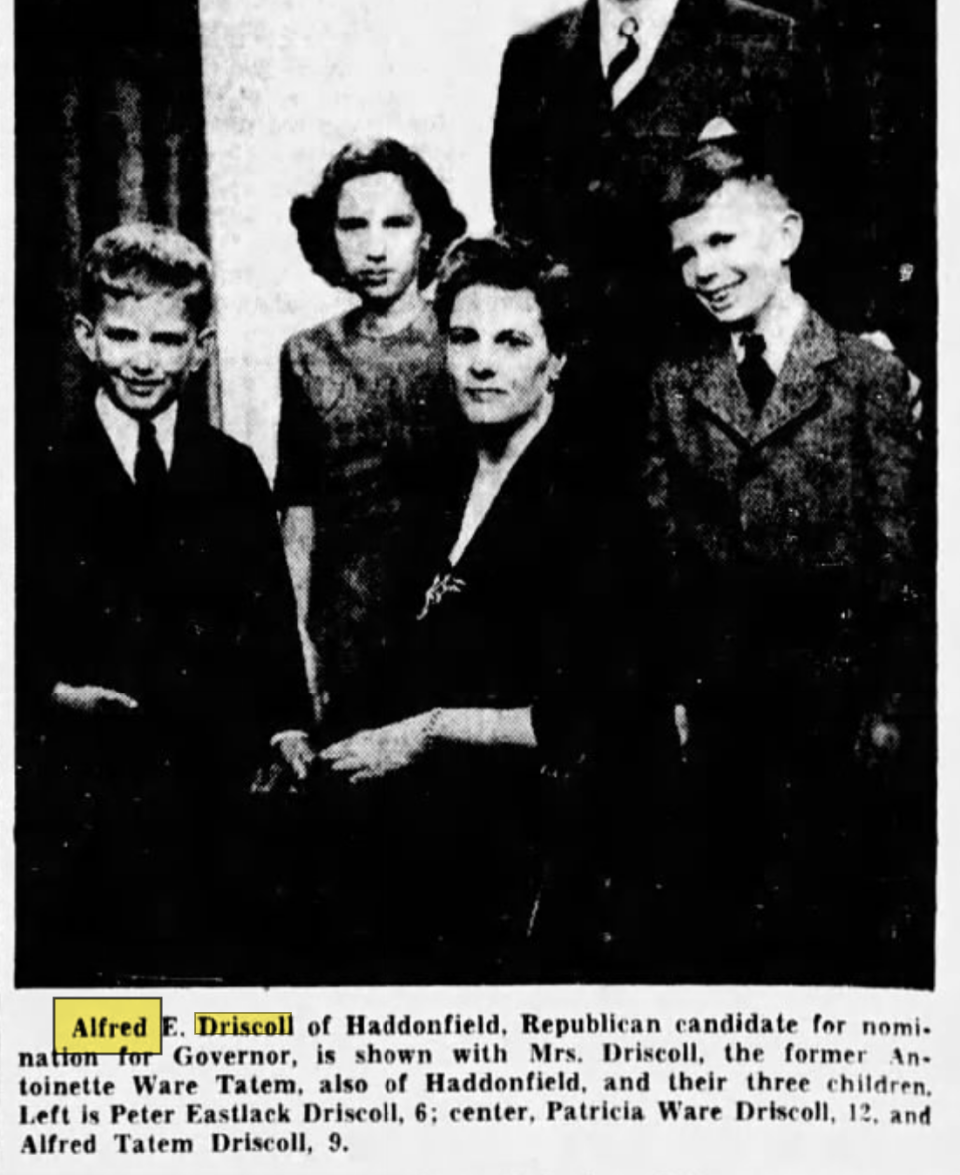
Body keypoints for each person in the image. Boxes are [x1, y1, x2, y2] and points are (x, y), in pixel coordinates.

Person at [309, 235, 680, 982]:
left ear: (558, 360)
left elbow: (602, 717)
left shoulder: (600, 502)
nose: (481, 362)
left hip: (555, 854)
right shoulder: (432, 478)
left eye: (512, 340)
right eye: (464, 337)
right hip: (436, 839)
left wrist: (431, 730)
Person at [644, 137, 923, 984]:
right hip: (726, 718)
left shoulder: (867, 375)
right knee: (734, 932)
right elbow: (667, 561)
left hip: (845, 719)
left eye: (724, 241)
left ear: (788, 235)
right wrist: (684, 695)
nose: (706, 268)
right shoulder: (675, 384)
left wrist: (892, 706)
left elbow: (900, 561)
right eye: (686, 252)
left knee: (841, 926)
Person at [19, 224, 312, 983]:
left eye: (166, 337)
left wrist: (285, 727)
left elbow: (271, 623)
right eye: (122, 335)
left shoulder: (234, 470)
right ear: (86, 337)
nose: (143, 358)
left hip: (215, 799)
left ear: (201, 345)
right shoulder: (38, 472)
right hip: (85, 798)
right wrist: (52, 694)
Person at [491, 0, 823, 455]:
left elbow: (820, 244)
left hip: (722, 427)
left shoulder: (766, 49)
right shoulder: (533, 62)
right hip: (574, 434)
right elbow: (520, 241)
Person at [276, 139, 466, 718]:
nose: (375, 247)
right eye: (353, 226)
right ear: (328, 238)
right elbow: (299, 512)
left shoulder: (465, 338)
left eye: (397, 223)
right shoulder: (308, 354)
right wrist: (300, 645)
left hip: (453, 620)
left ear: (428, 233)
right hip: (349, 629)